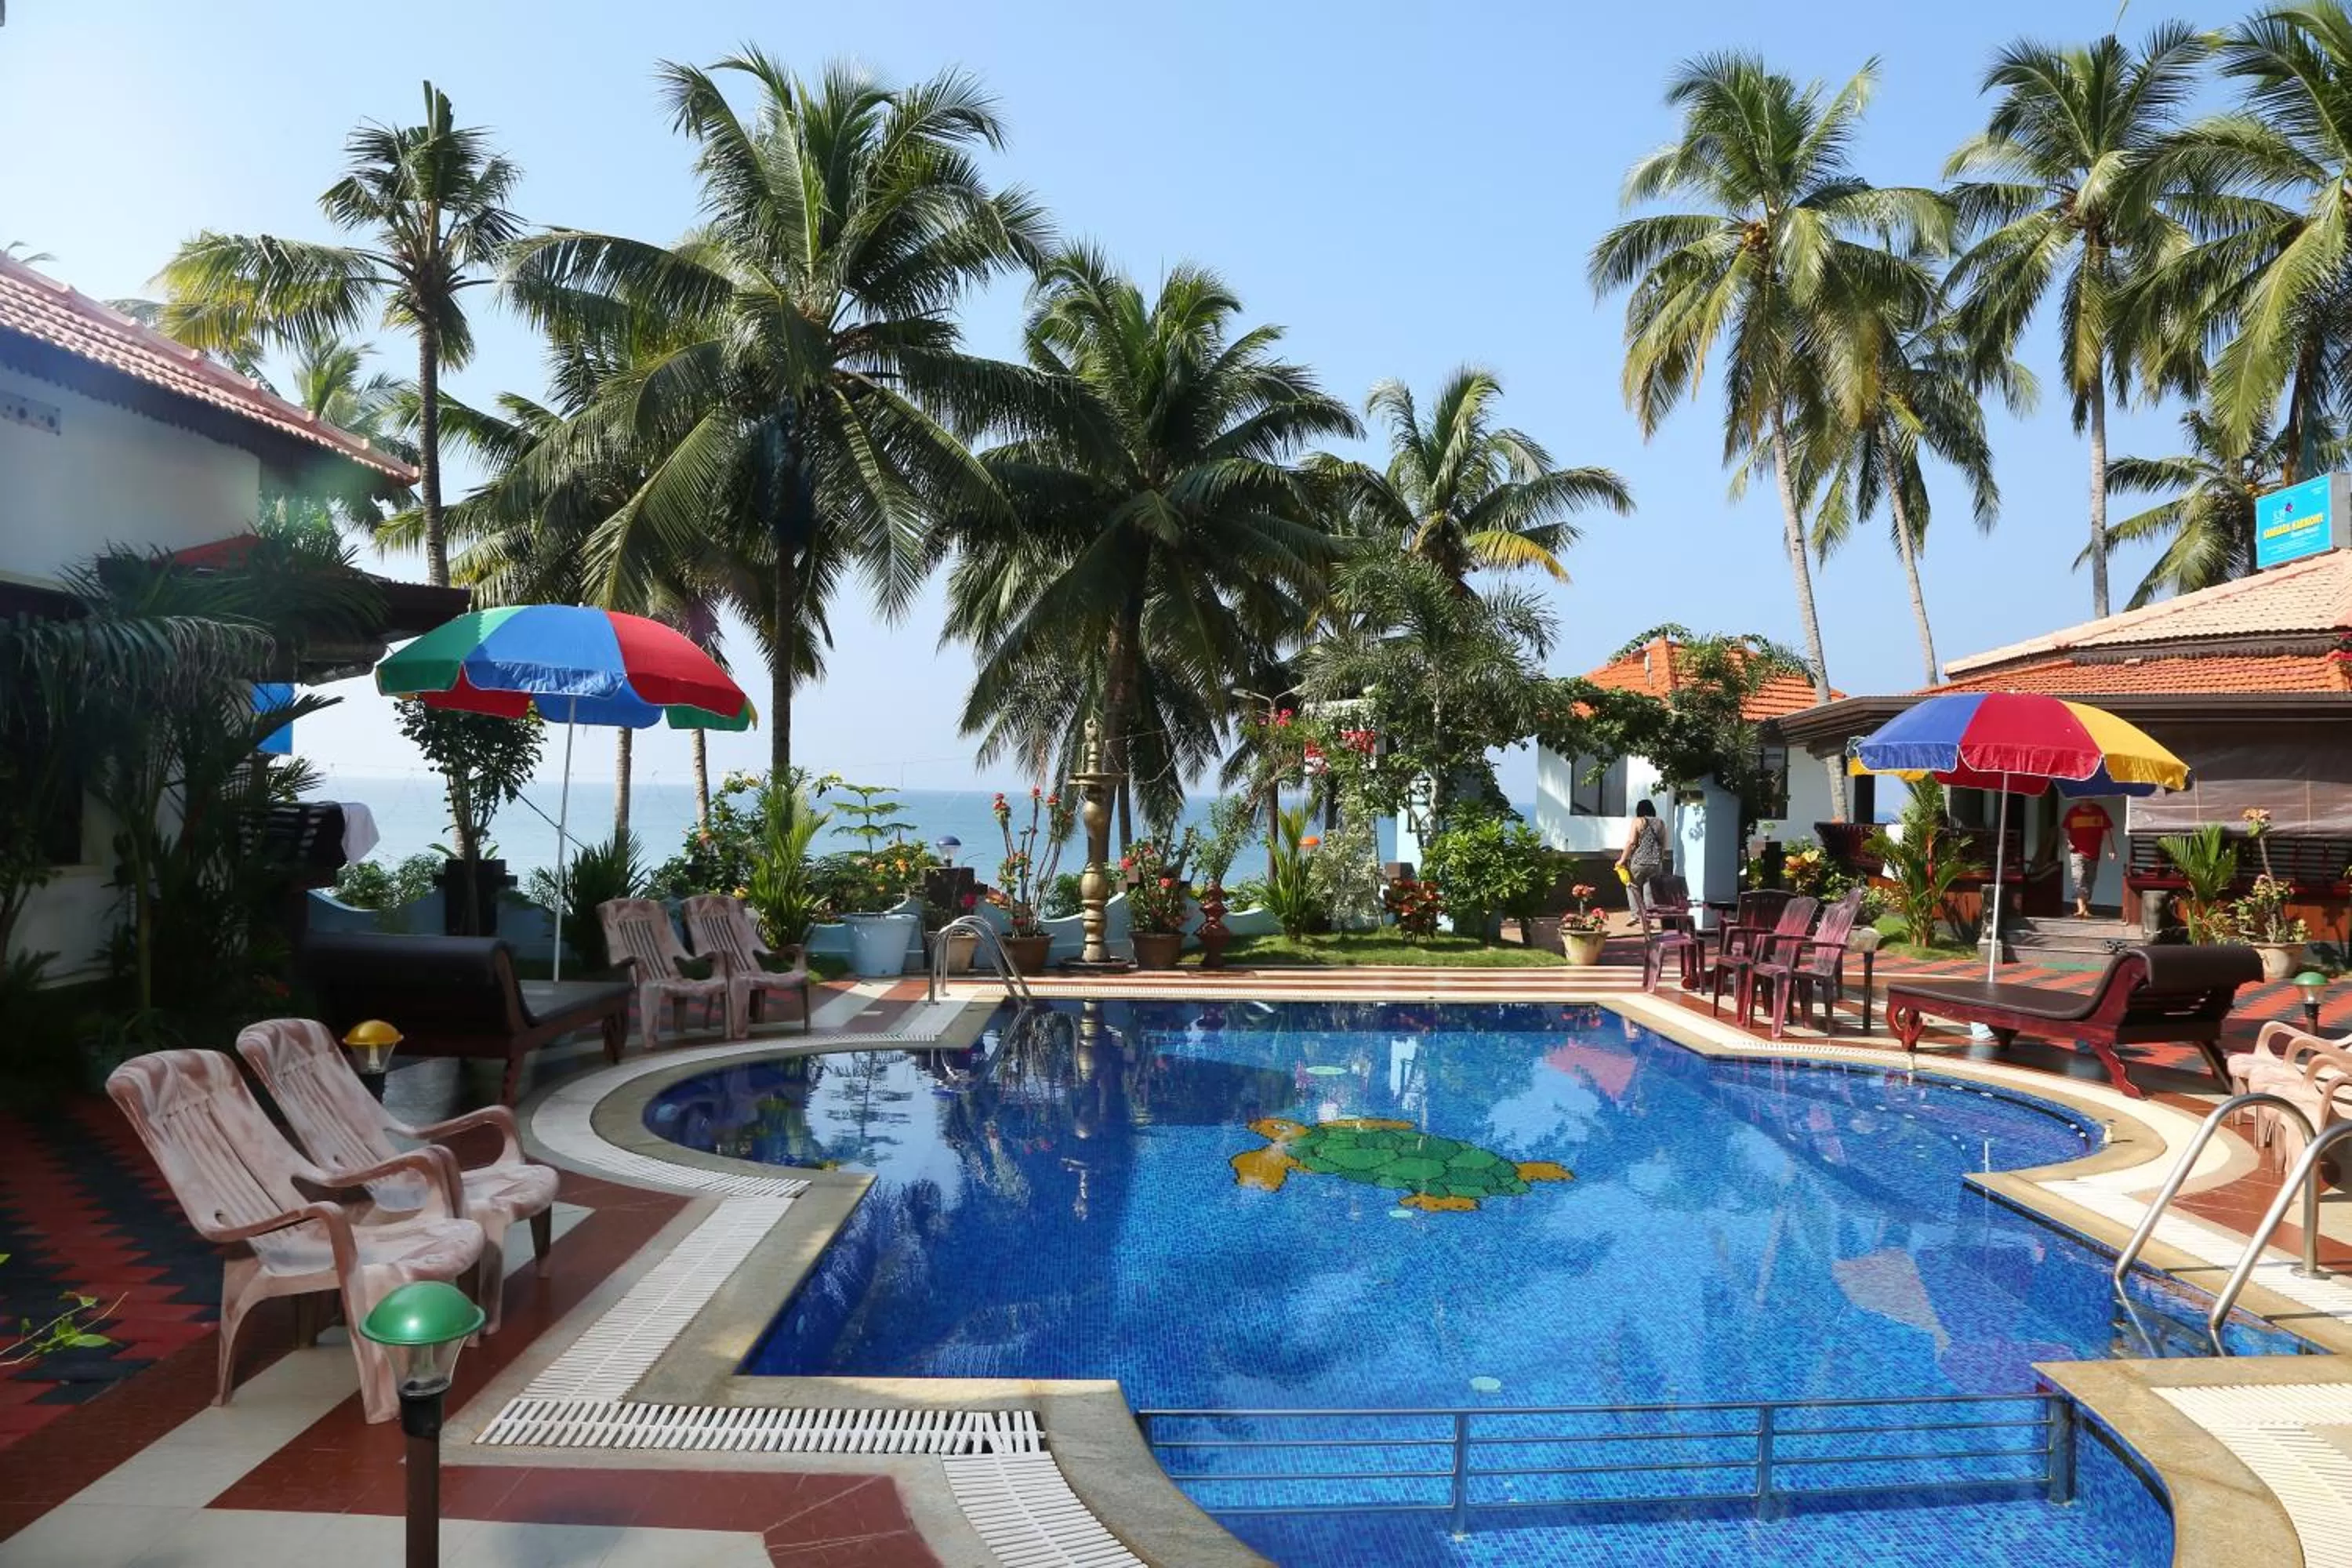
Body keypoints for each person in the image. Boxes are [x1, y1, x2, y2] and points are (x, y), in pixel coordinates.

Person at [2060, 798, 2116, 918]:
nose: (2085, 801)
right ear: (2079, 800)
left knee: (2090, 880)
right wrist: (2068, 842)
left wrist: (2112, 849)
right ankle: (2081, 909)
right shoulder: (2073, 812)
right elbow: (2065, 829)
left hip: (2094, 853)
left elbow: (2106, 831)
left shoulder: (2099, 811)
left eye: (2088, 799)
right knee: (2079, 878)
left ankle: (2084, 908)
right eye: (2083, 799)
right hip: (2076, 852)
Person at [1619, 798, 1671, 904]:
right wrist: (1660, 859)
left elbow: (1631, 842)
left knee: (1632, 887)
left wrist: (1622, 860)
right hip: (1655, 864)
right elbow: (1663, 844)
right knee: (1650, 892)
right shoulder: (1660, 822)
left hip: (1638, 862)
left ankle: (1637, 914)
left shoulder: (1638, 821)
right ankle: (1649, 913)